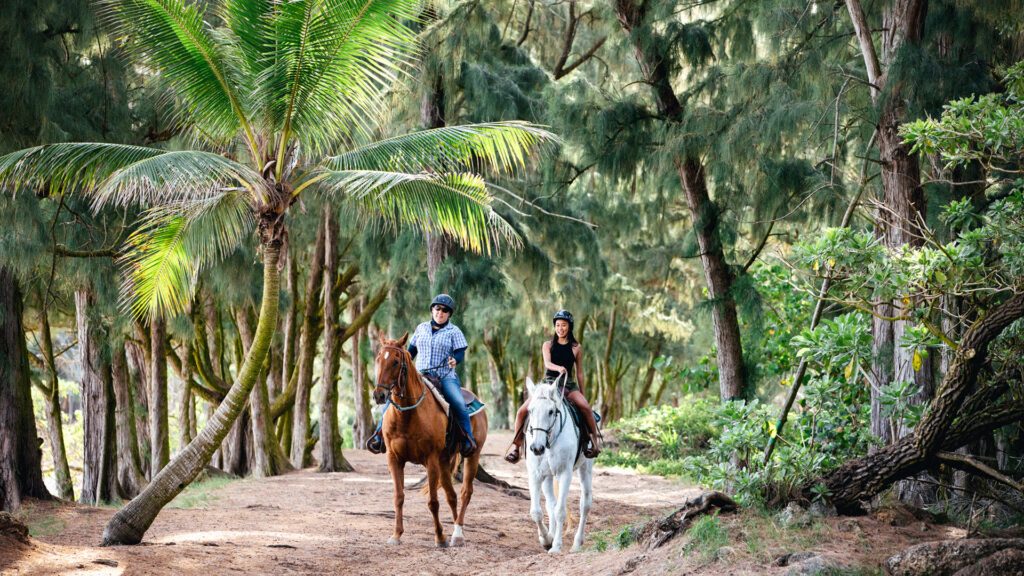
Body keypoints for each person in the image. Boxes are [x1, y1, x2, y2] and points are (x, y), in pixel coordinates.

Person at [367, 294, 478, 457]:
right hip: (420, 375)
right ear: (432, 310)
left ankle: (467, 440)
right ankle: (378, 436)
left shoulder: (454, 331)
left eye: (445, 310)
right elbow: (411, 352)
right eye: (437, 308)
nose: (440, 312)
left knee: (458, 402)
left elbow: (460, 352)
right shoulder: (421, 328)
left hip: (444, 376)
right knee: (391, 400)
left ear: (449, 314)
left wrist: (455, 359)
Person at [504, 310, 602, 464]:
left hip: (568, 384)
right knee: (522, 411)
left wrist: (582, 393)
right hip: (548, 384)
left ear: (569, 327)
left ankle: (595, 443)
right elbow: (547, 364)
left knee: (586, 408)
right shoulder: (547, 345)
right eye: (557, 325)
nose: (560, 328)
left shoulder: (576, 347)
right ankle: (516, 448)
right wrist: (558, 368)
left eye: (563, 325)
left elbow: (580, 373)